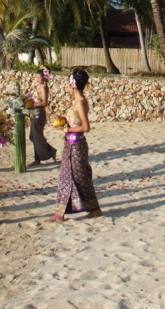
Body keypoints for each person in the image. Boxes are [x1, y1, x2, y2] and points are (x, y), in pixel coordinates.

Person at [46, 69, 102, 222]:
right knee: (65, 177)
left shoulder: (81, 102)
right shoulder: (74, 102)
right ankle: (59, 213)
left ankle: (94, 209)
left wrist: (67, 129)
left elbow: (85, 127)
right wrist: (63, 121)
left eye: (68, 84)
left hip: (77, 145)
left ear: (72, 85)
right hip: (69, 144)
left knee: (80, 177)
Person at [27, 67, 58, 167]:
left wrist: (31, 105)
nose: (37, 79)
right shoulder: (39, 87)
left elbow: (44, 102)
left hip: (39, 113)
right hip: (35, 112)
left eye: (39, 77)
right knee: (33, 136)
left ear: (44, 78)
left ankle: (40, 157)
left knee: (36, 135)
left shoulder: (44, 87)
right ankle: (48, 151)